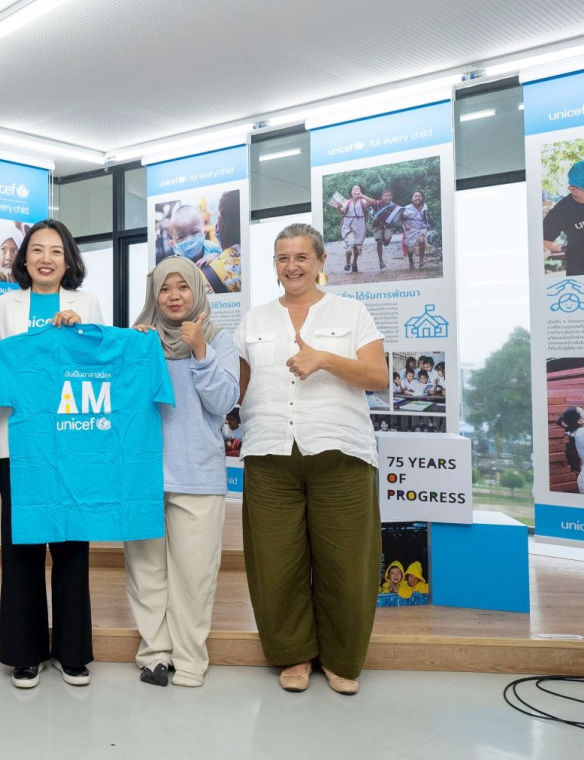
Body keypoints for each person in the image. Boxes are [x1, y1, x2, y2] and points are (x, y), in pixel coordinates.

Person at [234, 223, 387, 696]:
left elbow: (378, 376)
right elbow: (235, 390)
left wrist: (324, 359)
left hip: (341, 453)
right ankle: (294, 655)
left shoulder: (352, 312)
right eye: (283, 258)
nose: (292, 266)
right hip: (269, 453)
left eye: (302, 257)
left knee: (347, 564)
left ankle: (342, 660)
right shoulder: (254, 320)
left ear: (321, 261)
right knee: (275, 564)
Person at [0, 219, 103, 689]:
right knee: (22, 548)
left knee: (72, 546)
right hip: (20, 442)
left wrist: (81, 334)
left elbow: (97, 368)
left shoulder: (87, 303)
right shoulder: (3, 306)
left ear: (68, 261)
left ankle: (72, 653)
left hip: (72, 441)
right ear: (24, 259)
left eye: (56, 251)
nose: (46, 259)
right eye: (38, 250)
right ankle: (25, 654)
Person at [125, 257, 239, 688]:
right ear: (153, 294)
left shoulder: (218, 339)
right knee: (146, 574)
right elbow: (121, 403)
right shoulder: (139, 339)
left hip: (198, 476)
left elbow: (223, 402)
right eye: (164, 288)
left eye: (182, 287)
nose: (173, 296)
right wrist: (135, 356)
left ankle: (190, 659)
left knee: (194, 577)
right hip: (143, 476)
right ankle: (155, 654)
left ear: (198, 290)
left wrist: (200, 351)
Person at [340, 184, 375, 273]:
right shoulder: (346, 202)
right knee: (350, 245)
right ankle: (347, 263)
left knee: (357, 246)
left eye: (358, 189)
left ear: (360, 191)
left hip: (360, 226)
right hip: (348, 226)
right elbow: (340, 212)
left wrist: (361, 195)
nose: (356, 191)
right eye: (354, 189)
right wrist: (337, 206)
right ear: (351, 192)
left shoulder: (363, 201)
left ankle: (354, 263)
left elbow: (372, 202)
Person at [370, 189, 399, 270]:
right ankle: (381, 261)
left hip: (388, 226)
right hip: (377, 225)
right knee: (379, 241)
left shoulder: (394, 206)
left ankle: (385, 241)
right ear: (382, 197)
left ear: (392, 197)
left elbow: (398, 215)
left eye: (389, 195)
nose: (387, 197)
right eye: (385, 196)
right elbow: (371, 203)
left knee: (387, 240)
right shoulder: (377, 203)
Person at [401, 191, 429, 270]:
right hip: (411, 230)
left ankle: (421, 261)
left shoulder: (425, 207)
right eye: (415, 196)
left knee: (421, 240)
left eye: (419, 196)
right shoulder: (406, 208)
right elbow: (401, 217)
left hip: (421, 228)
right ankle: (411, 261)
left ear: (422, 198)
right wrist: (406, 225)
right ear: (411, 199)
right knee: (410, 249)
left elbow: (425, 217)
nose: (417, 198)